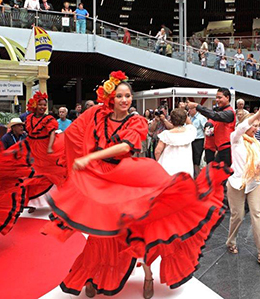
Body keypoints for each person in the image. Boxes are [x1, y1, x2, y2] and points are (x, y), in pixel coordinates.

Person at [41, 71, 230, 298]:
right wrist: (54, 146)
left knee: (141, 227)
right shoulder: (98, 117)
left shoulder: (137, 121)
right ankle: (91, 274)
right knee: (99, 234)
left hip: (127, 176)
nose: (124, 100)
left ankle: (148, 275)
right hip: (99, 179)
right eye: (119, 95)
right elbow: (74, 132)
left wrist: (89, 158)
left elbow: (124, 147)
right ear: (111, 98)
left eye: (128, 96)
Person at [226, 102, 260, 265]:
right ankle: (231, 242)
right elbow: (242, 126)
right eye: (254, 125)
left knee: (257, 213)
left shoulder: (256, 143)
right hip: (237, 182)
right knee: (237, 215)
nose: (256, 129)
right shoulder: (236, 138)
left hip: (255, 182)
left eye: (258, 126)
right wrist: (259, 113)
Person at [23, 91, 66, 187]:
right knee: (31, 167)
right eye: (40, 105)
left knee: (45, 168)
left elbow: (52, 134)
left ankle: (45, 189)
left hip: (43, 145)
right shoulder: (29, 118)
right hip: (31, 145)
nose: (43, 107)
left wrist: (50, 147)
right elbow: (29, 132)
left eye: (44, 105)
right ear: (34, 105)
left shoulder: (49, 119)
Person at [187, 88, 235, 167]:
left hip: (226, 149)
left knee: (222, 174)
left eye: (220, 97)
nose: (217, 100)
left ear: (227, 97)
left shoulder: (229, 112)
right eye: (216, 97)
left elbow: (214, 115)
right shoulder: (222, 112)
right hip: (219, 148)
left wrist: (197, 106)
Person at [155, 108, 196, 177]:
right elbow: (190, 123)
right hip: (185, 167)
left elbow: (157, 151)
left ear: (171, 119)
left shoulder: (166, 134)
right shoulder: (190, 131)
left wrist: (159, 162)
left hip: (167, 167)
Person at [189, 105, 207, 177]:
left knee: (198, 159)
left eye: (190, 109)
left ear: (195, 109)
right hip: (191, 140)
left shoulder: (201, 118)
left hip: (199, 140)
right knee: (193, 158)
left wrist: (205, 143)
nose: (189, 111)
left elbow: (206, 131)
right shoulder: (190, 118)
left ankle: (198, 176)